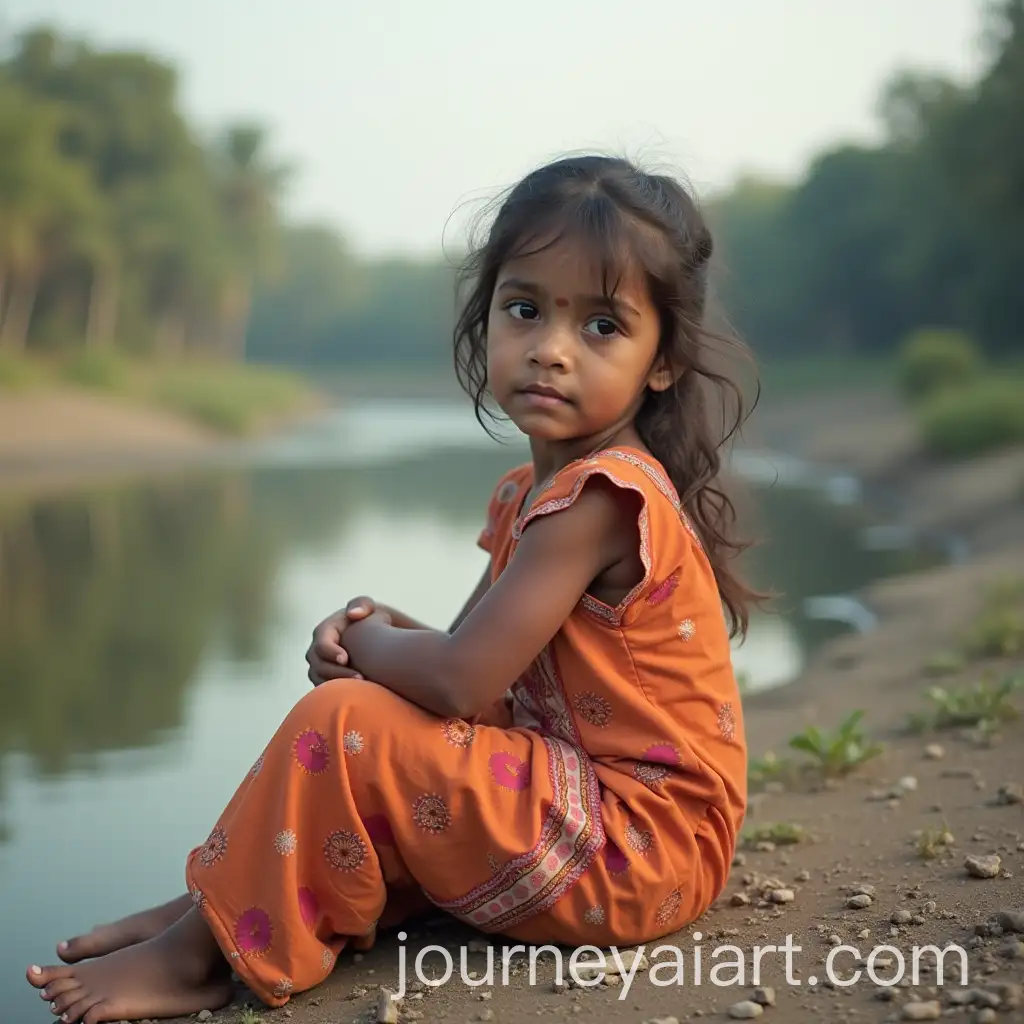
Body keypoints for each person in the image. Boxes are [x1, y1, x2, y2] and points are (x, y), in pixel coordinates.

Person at [27, 154, 760, 1024]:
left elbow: (458, 681)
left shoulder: (601, 498)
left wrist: (367, 647)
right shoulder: (535, 494)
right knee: (378, 714)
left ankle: (199, 956)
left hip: (640, 849)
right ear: (485, 319)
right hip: (595, 817)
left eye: (601, 327)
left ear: (663, 360)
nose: (551, 350)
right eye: (524, 310)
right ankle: (213, 904)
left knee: (342, 723)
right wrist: (376, 634)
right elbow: (475, 669)